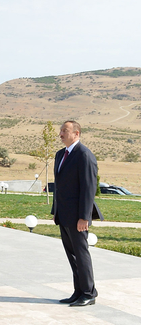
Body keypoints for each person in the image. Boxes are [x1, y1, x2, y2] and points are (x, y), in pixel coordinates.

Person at [51, 120, 102, 307]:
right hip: (63, 215)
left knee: (81, 254)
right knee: (72, 255)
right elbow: (59, 188)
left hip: (77, 217)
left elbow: (89, 189)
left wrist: (84, 217)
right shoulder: (59, 155)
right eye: (61, 130)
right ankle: (78, 291)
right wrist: (55, 211)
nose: (61, 134)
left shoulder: (84, 156)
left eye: (65, 131)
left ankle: (89, 293)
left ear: (76, 133)